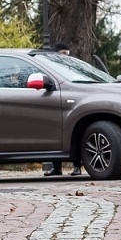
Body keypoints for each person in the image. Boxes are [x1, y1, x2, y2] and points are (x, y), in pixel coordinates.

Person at [42, 43, 82, 178]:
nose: (66, 56)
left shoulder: (72, 67)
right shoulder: (49, 67)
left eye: (67, 54)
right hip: (53, 107)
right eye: (63, 53)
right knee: (55, 134)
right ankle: (56, 167)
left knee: (73, 135)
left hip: (69, 105)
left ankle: (77, 166)